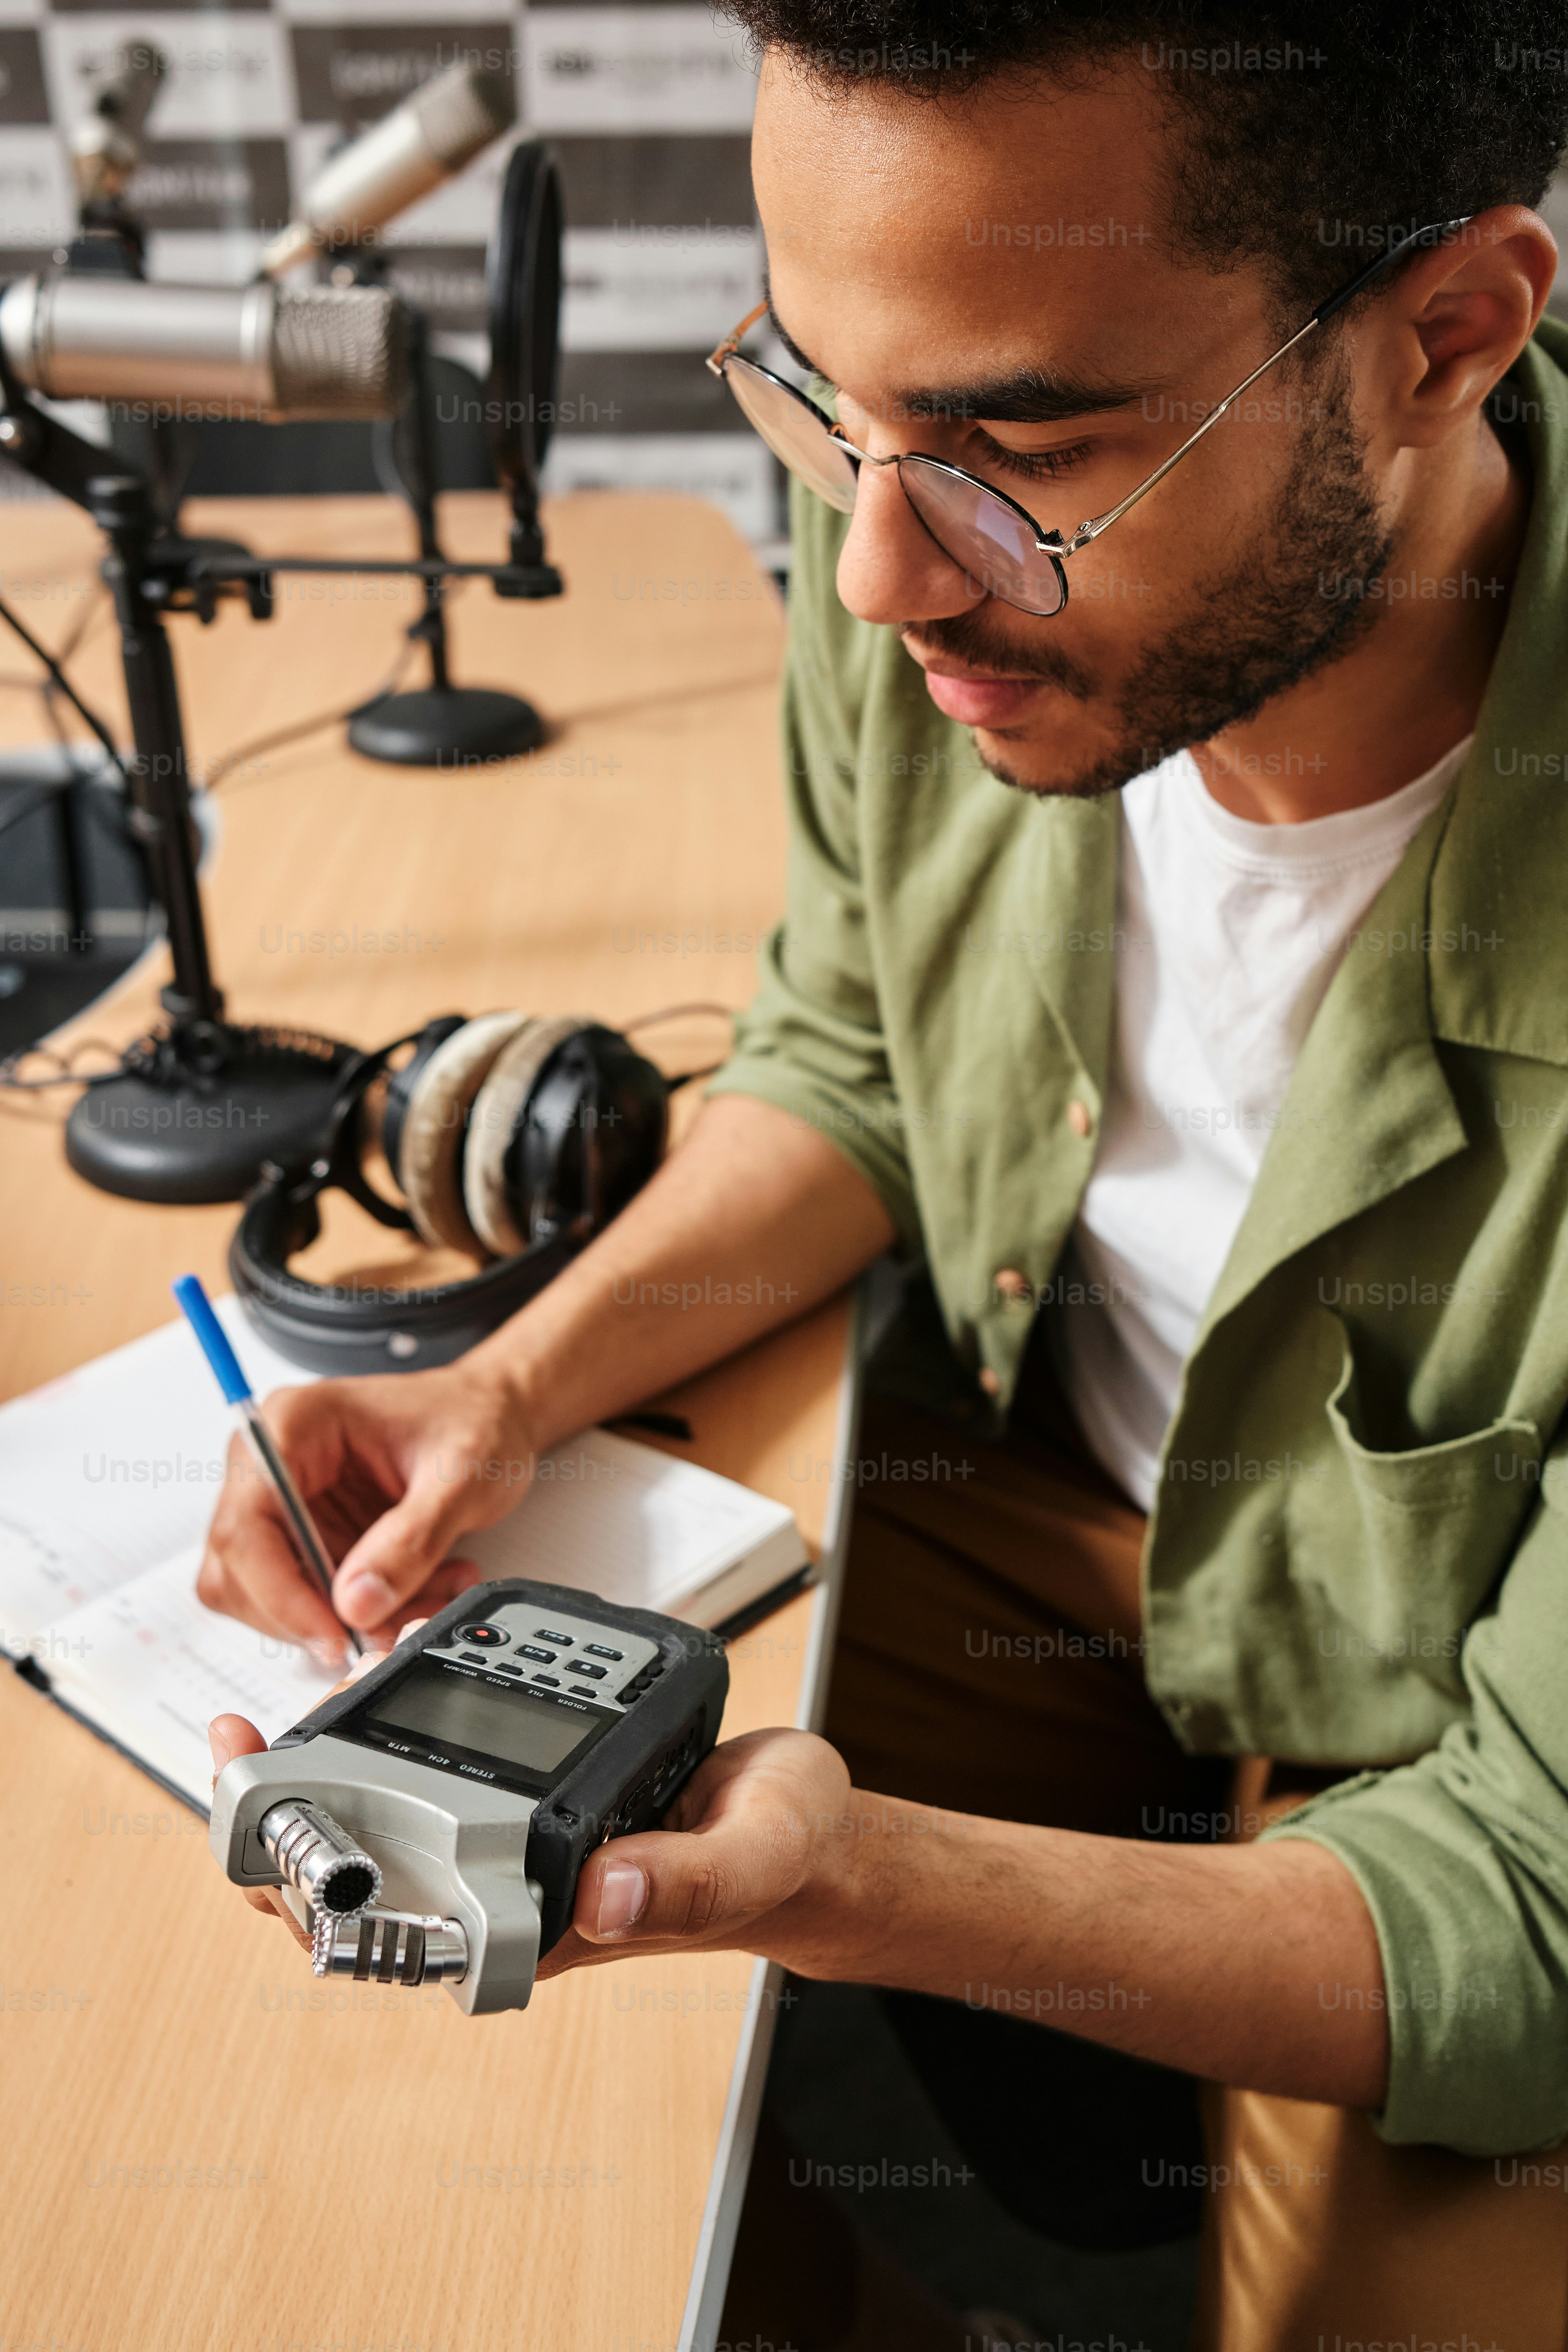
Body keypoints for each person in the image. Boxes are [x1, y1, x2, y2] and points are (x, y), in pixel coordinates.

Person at [205, 7, 1568, 2343]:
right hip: (1043, 1500)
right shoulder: (939, 568)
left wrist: (861, 1891)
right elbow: (849, 1057)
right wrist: (515, 1389)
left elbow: (1522, 1903)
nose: (871, 581)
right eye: (822, 396)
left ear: (1443, 337)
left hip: (1459, 1737)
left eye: (1021, 447)